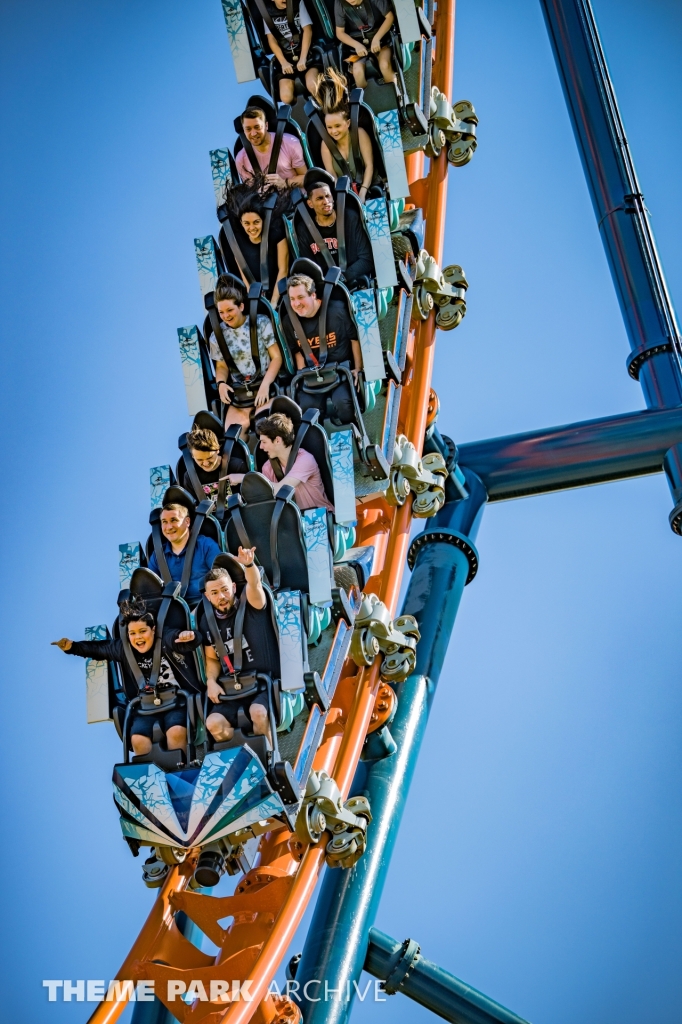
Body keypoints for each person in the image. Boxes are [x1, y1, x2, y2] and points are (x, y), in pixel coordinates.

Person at [52, 598, 201, 757]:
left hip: (175, 700)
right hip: (146, 705)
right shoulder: (125, 650)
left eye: (143, 631)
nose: (138, 638)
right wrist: (72, 647)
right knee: (137, 739)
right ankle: (149, 774)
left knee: (176, 732)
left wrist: (189, 637)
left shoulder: (164, 639)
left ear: (153, 629)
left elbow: (183, 640)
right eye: (133, 633)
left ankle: (181, 768)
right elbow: (99, 649)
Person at [198, 550, 281, 746]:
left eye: (225, 590)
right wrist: (211, 681)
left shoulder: (250, 602)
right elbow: (211, 658)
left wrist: (249, 566)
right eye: (215, 593)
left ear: (234, 587)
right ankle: (241, 764)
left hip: (263, 684)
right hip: (233, 690)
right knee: (213, 723)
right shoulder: (206, 621)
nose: (222, 596)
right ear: (208, 597)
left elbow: (255, 584)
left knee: (258, 712)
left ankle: (268, 759)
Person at [281, 272, 363, 425]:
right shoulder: (289, 322)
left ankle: (354, 438)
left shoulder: (337, 311)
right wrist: (302, 373)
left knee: (343, 404)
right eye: (292, 299)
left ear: (313, 295)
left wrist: (358, 368)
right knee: (306, 411)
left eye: (300, 297)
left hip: (340, 371)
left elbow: (354, 339)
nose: (296, 304)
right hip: (313, 375)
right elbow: (297, 351)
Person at [208, 277, 283, 431]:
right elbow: (222, 365)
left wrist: (265, 385)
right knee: (233, 436)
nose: (226, 316)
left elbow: (276, 357)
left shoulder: (261, 322)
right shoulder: (217, 336)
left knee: (266, 427)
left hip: (264, 384)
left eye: (230, 310)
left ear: (241, 306)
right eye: (221, 312)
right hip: (240, 393)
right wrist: (221, 384)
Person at [294, 169, 374, 289]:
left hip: (357, 280)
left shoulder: (350, 218)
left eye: (328, 196)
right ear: (310, 204)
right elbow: (309, 270)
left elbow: (367, 259)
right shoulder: (304, 229)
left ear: (333, 197)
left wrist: (344, 278)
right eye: (319, 198)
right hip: (326, 288)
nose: (326, 202)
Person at [312, 67, 375, 201]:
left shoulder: (359, 134)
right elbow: (332, 175)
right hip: (345, 195)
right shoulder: (326, 145)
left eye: (337, 126)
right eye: (329, 127)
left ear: (347, 123)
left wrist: (363, 191)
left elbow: (369, 165)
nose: (333, 131)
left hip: (369, 187)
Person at [223, 185, 290, 305]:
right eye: (247, 223)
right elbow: (244, 274)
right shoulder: (237, 240)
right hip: (258, 296)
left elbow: (283, 270)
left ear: (263, 220)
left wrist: (273, 303)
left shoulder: (276, 230)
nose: (252, 228)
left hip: (282, 291)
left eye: (256, 222)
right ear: (241, 223)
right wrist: (255, 301)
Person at [147, 502, 221, 608]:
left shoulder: (206, 545)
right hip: (173, 612)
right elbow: (152, 592)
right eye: (164, 522)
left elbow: (220, 579)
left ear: (187, 521)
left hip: (206, 607)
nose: (169, 527)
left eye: (174, 520)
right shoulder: (157, 556)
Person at [258, 411, 334, 511]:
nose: (260, 447)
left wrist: (245, 478)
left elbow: (279, 489)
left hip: (321, 518)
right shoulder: (267, 468)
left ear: (277, 440)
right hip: (295, 523)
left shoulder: (305, 459)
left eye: (264, 442)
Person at [260, 0, 320, 104]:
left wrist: (303, 58)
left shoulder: (298, 3)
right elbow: (271, 40)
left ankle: (322, 105)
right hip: (286, 58)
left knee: (312, 86)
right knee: (285, 97)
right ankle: (303, 109)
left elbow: (307, 30)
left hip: (306, 54)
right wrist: (283, 62)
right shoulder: (266, 12)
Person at [235, 105, 307, 189]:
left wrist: (285, 183)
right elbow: (250, 192)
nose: (253, 133)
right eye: (248, 129)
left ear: (266, 125)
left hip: (298, 198)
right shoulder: (241, 160)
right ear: (244, 130)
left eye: (257, 127)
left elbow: (306, 178)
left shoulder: (290, 143)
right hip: (267, 201)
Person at [177, 426, 250, 504]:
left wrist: (243, 478)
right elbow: (190, 506)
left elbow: (256, 490)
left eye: (210, 457)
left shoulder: (237, 466)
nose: (206, 463)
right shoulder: (190, 477)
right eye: (200, 460)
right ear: (192, 456)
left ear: (217, 450)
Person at [334, 0, 396, 89]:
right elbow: (340, 33)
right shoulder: (340, 3)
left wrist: (377, 38)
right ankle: (365, 100)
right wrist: (356, 45)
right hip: (359, 45)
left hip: (382, 40)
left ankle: (394, 96)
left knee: (384, 64)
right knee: (357, 71)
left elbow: (390, 17)